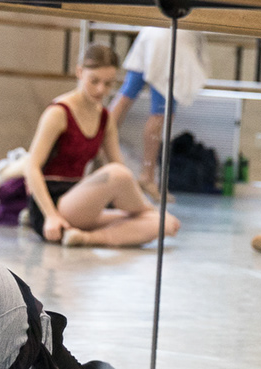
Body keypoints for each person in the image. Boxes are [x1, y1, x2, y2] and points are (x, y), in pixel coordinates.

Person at [110, 0, 252, 195]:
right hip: (171, 41)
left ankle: (99, 159)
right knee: (160, 113)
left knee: (124, 98)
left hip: (150, 36)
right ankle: (147, 175)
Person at [22, 45, 179, 248]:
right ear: (79, 72)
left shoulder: (105, 118)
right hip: (54, 205)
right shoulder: (58, 113)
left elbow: (121, 174)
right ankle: (147, 209)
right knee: (118, 174)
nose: (100, 90)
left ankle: (85, 238)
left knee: (164, 224)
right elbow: (31, 167)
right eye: (94, 81)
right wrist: (51, 216)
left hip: (82, 201)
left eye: (108, 84)